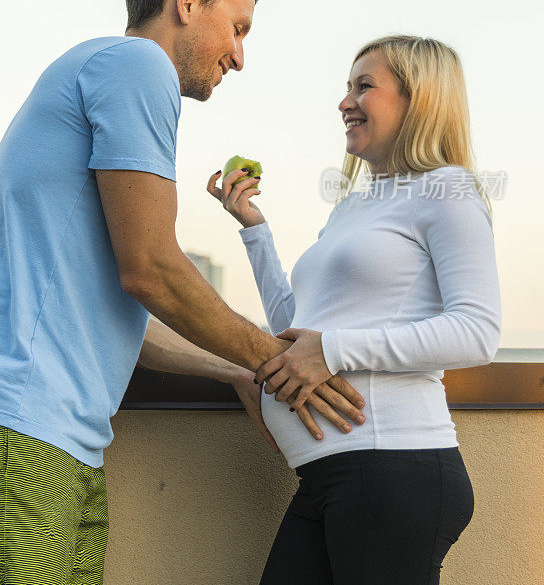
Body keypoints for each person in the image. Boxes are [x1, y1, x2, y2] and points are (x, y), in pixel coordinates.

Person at [0, 0, 366, 585]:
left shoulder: (104, 71)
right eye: (237, 28)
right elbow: (152, 269)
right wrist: (278, 360)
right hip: (18, 427)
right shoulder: (137, 66)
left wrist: (236, 371)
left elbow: (121, 303)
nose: (239, 56)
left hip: (54, 437)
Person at [207, 35, 502, 584]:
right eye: (347, 86)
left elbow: (477, 332)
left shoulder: (448, 190)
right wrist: (255, 229)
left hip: (392, 468)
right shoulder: (354, 208)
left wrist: (334, 349)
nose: (345, 101)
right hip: (334, 476)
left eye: (364, 86)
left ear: (420, 100)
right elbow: (295, 330)